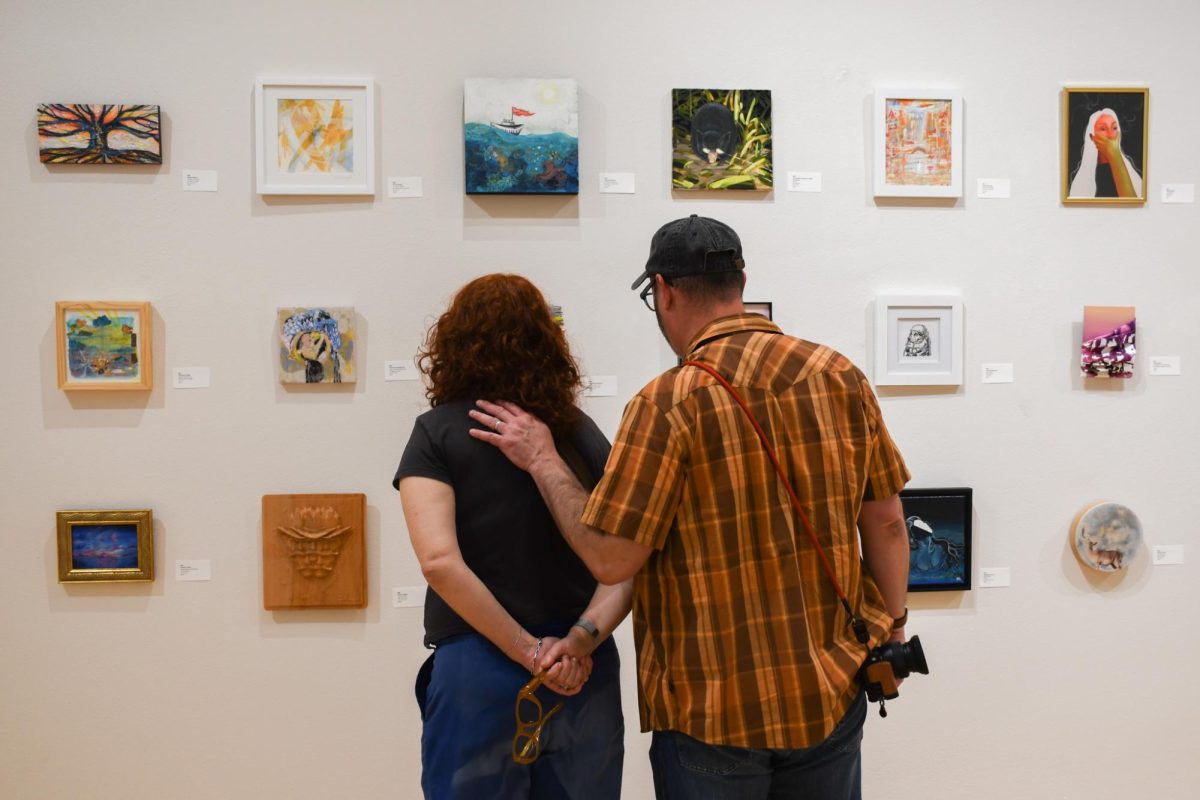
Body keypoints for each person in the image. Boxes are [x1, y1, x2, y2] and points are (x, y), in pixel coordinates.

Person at [470, 216, 912, 799]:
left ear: (665, 291)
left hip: (711, 711)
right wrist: (894, 627)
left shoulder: (665, 404)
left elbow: (610, 559)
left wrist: (544, 460)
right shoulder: (839, 375)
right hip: (830, 691)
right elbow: (885, 522)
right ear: (742, 280)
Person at [395, 274, 629, 800]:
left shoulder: (436, 433)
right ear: (548, 342)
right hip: (579, 667)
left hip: (482, 665)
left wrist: (530, 653)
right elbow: (629, 557)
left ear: (452, 344)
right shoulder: (577, 431)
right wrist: (575, 644)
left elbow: (439, 562)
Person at [1068, 107, 1143, 199]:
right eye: (1103, 129)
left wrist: (1115, 155)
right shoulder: (1083, 179)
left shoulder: (1131, 174)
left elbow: (1133, 204)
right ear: (1092, 137)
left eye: (1114, 128)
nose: (1110, 135)